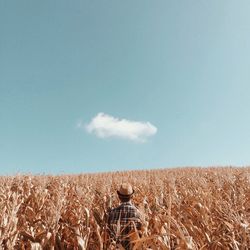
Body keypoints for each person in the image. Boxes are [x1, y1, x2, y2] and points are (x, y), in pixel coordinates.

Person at [107, 183, 142, 249]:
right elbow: (141, 235)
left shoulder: (112, 213)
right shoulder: (138, 213)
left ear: (119, 196)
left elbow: (108, 234)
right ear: (132, 196)